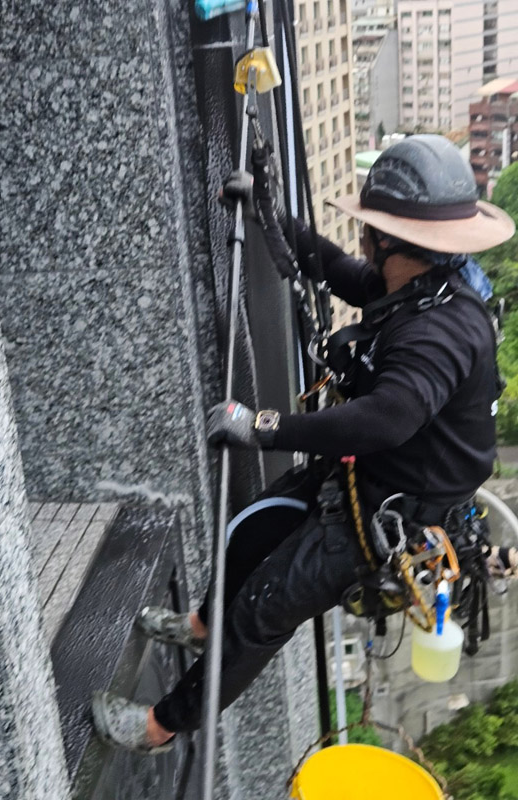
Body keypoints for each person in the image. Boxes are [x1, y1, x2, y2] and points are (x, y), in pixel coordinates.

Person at [92, 135, 515, 754]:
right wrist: (266, 212)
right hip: (364, 479)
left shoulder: (441, 330)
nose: (365, 240)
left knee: (264, 610)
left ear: (393, 238)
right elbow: (334, 268)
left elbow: (386, 418)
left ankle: (159, 726)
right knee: (252, 529)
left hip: (393, 516)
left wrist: (263, 427)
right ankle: (202, 626)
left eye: (372, 229)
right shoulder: (415, 287)